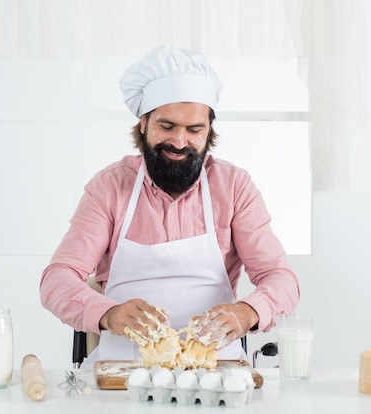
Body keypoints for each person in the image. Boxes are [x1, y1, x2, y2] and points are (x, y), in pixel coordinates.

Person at [40, 45, 299, 368]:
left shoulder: (234, 187)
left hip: (216, 367)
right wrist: (109, 313)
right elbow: (57, 279)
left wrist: (247, 313)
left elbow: (280, 277)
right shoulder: (109, 187)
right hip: (122, 369)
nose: (179, 141)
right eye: (167, 126)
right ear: (144, 123)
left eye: (194, 130)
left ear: (209, 131)